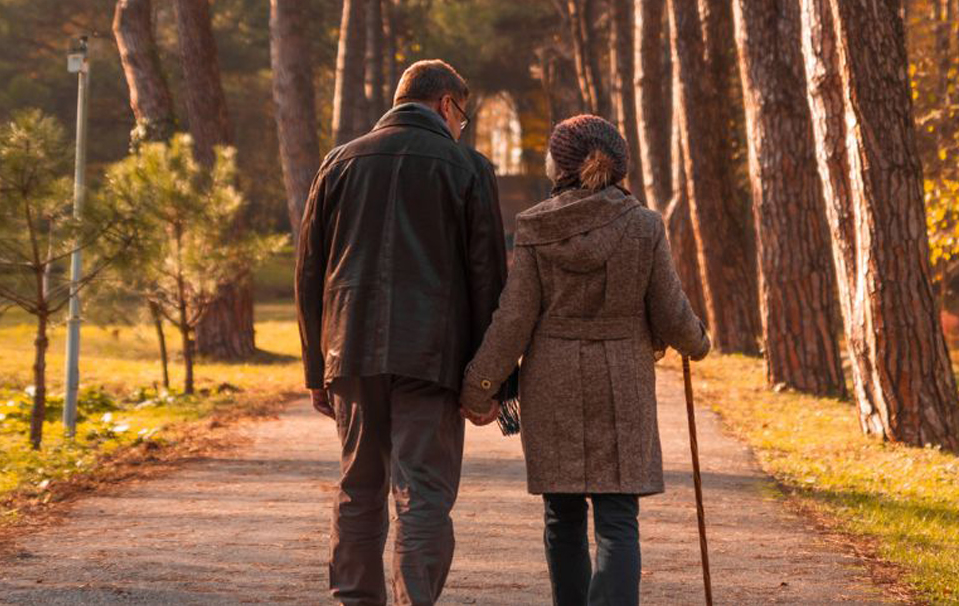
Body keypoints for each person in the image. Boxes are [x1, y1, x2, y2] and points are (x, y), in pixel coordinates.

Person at [458, 115, 710, 606]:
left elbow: (513, 320)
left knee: (562, 517)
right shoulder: (643, 225)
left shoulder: (535, 226)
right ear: (620, 164)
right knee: (618, 519)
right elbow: (671, 310)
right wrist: (698, 342)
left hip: (552, 385)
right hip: (625, 381)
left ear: (559, 166)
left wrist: (478, 386)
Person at [295, 59, 511, 606]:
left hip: (351, 351)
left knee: (358, 488)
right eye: (462, 115)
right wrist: (492, 384)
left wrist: (316, 370)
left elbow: (309, 272)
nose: (462, 126)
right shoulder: (467, 168)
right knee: (423, 492)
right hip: (432, 358)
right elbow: (488, 279)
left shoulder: (338, 163)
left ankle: (354, 600)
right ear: (446, 105)